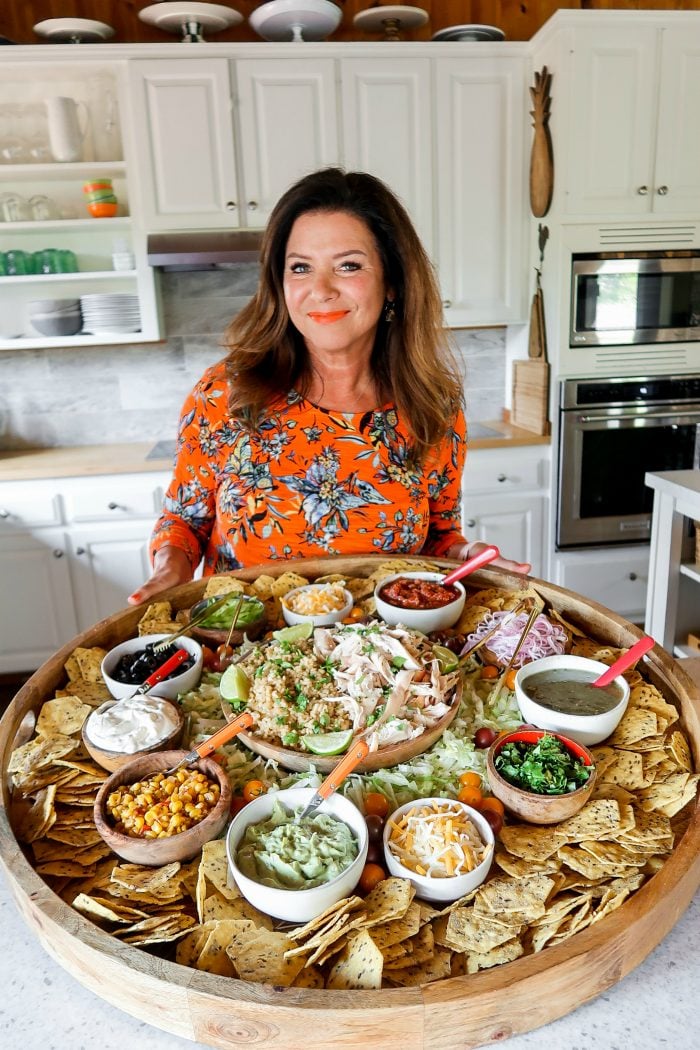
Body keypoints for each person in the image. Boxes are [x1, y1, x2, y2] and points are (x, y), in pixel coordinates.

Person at [129, 168, 529, 606]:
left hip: (387, 657)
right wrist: (169, 569)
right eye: (300, 267)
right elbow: (184, 521)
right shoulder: (227, 394)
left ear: (391, 282)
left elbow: (435, 537)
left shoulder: (433, 405)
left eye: (348, 265)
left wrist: (465, 555)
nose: (319, 290)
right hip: (245, 658)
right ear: (280, 285)